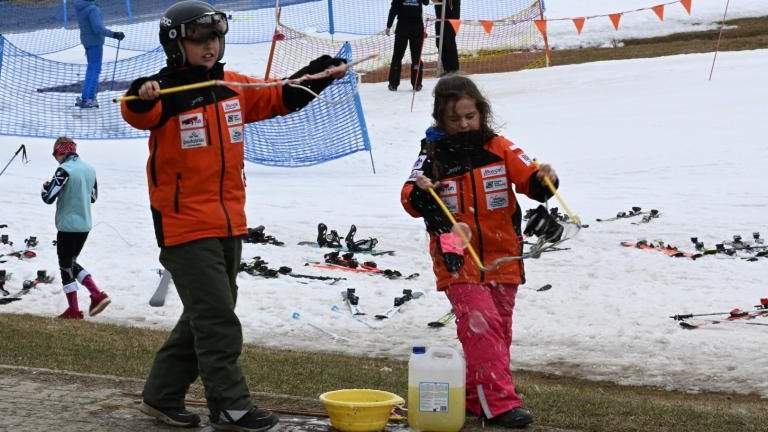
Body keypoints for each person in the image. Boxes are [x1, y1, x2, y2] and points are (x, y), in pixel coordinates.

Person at [120, 1, 346, 430]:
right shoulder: (165, 94)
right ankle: (229, 405)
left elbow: (281, 95)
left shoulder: (231, 87)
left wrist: (322, 73)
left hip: (228, 222)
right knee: (218, 320)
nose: (209, 46)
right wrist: (141, 90)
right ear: (175, 43)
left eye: (214, 37)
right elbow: (135, 110)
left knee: (205, 317)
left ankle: (161, 396)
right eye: (198, 39)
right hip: (184, 226)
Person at [400, 74, 559, 428]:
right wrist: (424, 191)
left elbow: (532, 183)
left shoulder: (499, 146)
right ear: (440, 119)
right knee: (480, 324)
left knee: (497, 331)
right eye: (454, 119)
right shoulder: (432, 154)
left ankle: (475, 397)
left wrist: (545, 179)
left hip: (504, 255)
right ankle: (500, 404)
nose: (463, 124)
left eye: (469, 116)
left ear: (481, 112)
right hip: (456, 255)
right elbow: (409, 197)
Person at [41, 137, 110, 320]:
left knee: (65, 266)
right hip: (84, 225)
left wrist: (45, 188)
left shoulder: (64, 170)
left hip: (67, 226)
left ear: (62, 152)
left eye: (55, 154)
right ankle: (95, 294)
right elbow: (93, 197)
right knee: (71, 262)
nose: (55, 158)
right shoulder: (90, 169)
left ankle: (76, 308)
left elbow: (48, 198)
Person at [74, 0, 125, 109]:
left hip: (87, 41)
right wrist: (114, 34)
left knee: (93, 68)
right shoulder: (92, 9)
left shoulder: (82, 7)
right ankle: (87, 98)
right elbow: (98, 29)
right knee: (94, 69)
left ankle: (90, 97)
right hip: (94, 42)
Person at [386, 0, 429, 92]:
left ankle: (397, 84)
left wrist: (389, 26)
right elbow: (426, 2)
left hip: (408, 27)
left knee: (405, 56)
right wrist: (389, 25)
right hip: (409, 27)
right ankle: (413, 84)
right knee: (401, 56)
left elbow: (393, 10)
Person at [433, 0, 460, 74]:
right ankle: (447, 69)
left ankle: (454, 69)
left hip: (450, 20)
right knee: (440, 44)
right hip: (439, 19)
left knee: (449, 44)